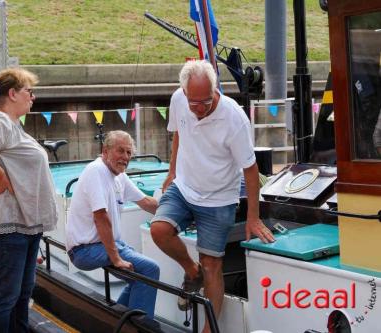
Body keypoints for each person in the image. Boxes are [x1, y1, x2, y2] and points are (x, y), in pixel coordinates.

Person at [150, 60, 275, 332]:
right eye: (193, 101)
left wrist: (253, 218)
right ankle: (190, 270)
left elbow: (251, 170)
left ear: (215, 91)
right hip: (184, 186)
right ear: (183, 92)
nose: (198, 108)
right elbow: (178, 135)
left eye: (205, 101)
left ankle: (210, 329)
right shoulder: (178, 100)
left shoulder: (235, 119)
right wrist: (172, 172)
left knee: (212, 265)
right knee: (159, 230)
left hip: (219, 198)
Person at [0, 68, 58, 333]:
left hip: (25, 225)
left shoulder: (13, 127)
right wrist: (0, 176)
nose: (33, 97)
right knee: (6, 295)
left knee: (21, 294)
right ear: (13, 94)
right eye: (29, 91)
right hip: (8, 225)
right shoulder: (0, 122)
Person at [65, 130, 160, 318]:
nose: (125, 157)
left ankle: (117, 320)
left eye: (129, 153)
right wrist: (116, 258)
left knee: (137, 275)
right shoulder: (96, 171)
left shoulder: (119, 176)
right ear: (105, 151)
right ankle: (140, 328)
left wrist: (179, 212)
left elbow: (147, 203)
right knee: (150, 269)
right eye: (120, 151)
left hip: (103, 245)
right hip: (85, 250)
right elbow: (100, 217)